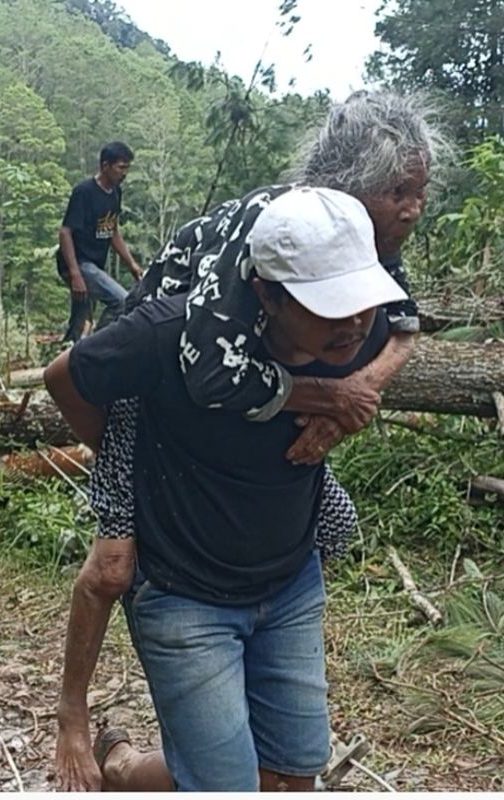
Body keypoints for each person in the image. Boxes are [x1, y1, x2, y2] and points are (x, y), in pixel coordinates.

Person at [53, 90, 443, 791]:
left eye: (421, 190)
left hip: (283, 574)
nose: (414, 207)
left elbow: (408, 327)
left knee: (287, 774)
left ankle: (121, 767)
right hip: (180, 569)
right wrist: (132, 474)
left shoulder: (362, 271)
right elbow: (187, 379)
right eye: (398, 191)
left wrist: (361, 391)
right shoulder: (206, 306)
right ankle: (87, 734)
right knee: (111, 569)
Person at [57, 141, 143, 342]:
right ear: (105, 166)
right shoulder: (84, 192)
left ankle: (72, 351)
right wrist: (75, 273)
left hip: (94, 264)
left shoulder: (115, 192)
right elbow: (65, 232)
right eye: (121, 167)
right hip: (78, 263)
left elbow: (112, 231)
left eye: (127, 168)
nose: (124, 173)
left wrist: (131, 265)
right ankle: (97, 345)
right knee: (122, 302)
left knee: (81, 317)